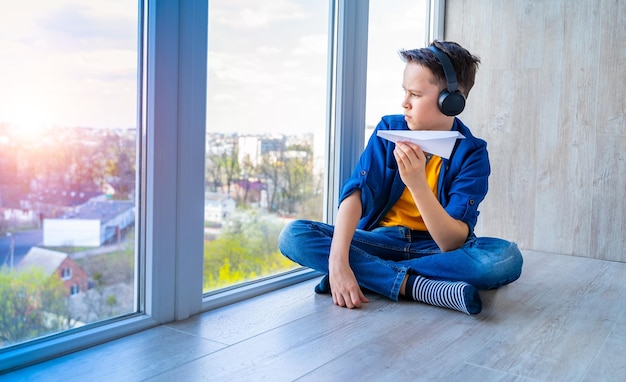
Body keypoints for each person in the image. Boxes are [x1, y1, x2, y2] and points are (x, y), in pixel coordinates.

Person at [278, 40, 523, 315]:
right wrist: (337, 263)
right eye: (404, 92)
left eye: (415, 95)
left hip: (435, 250)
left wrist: (417, 184)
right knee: (293, 235)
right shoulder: (388, 130)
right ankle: (419, 287)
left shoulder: (472, 154)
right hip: (379, 241)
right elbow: (355, 193)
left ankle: (372, 276)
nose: (404, 103)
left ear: (451, 102)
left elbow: (451, 242)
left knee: (504, 259)